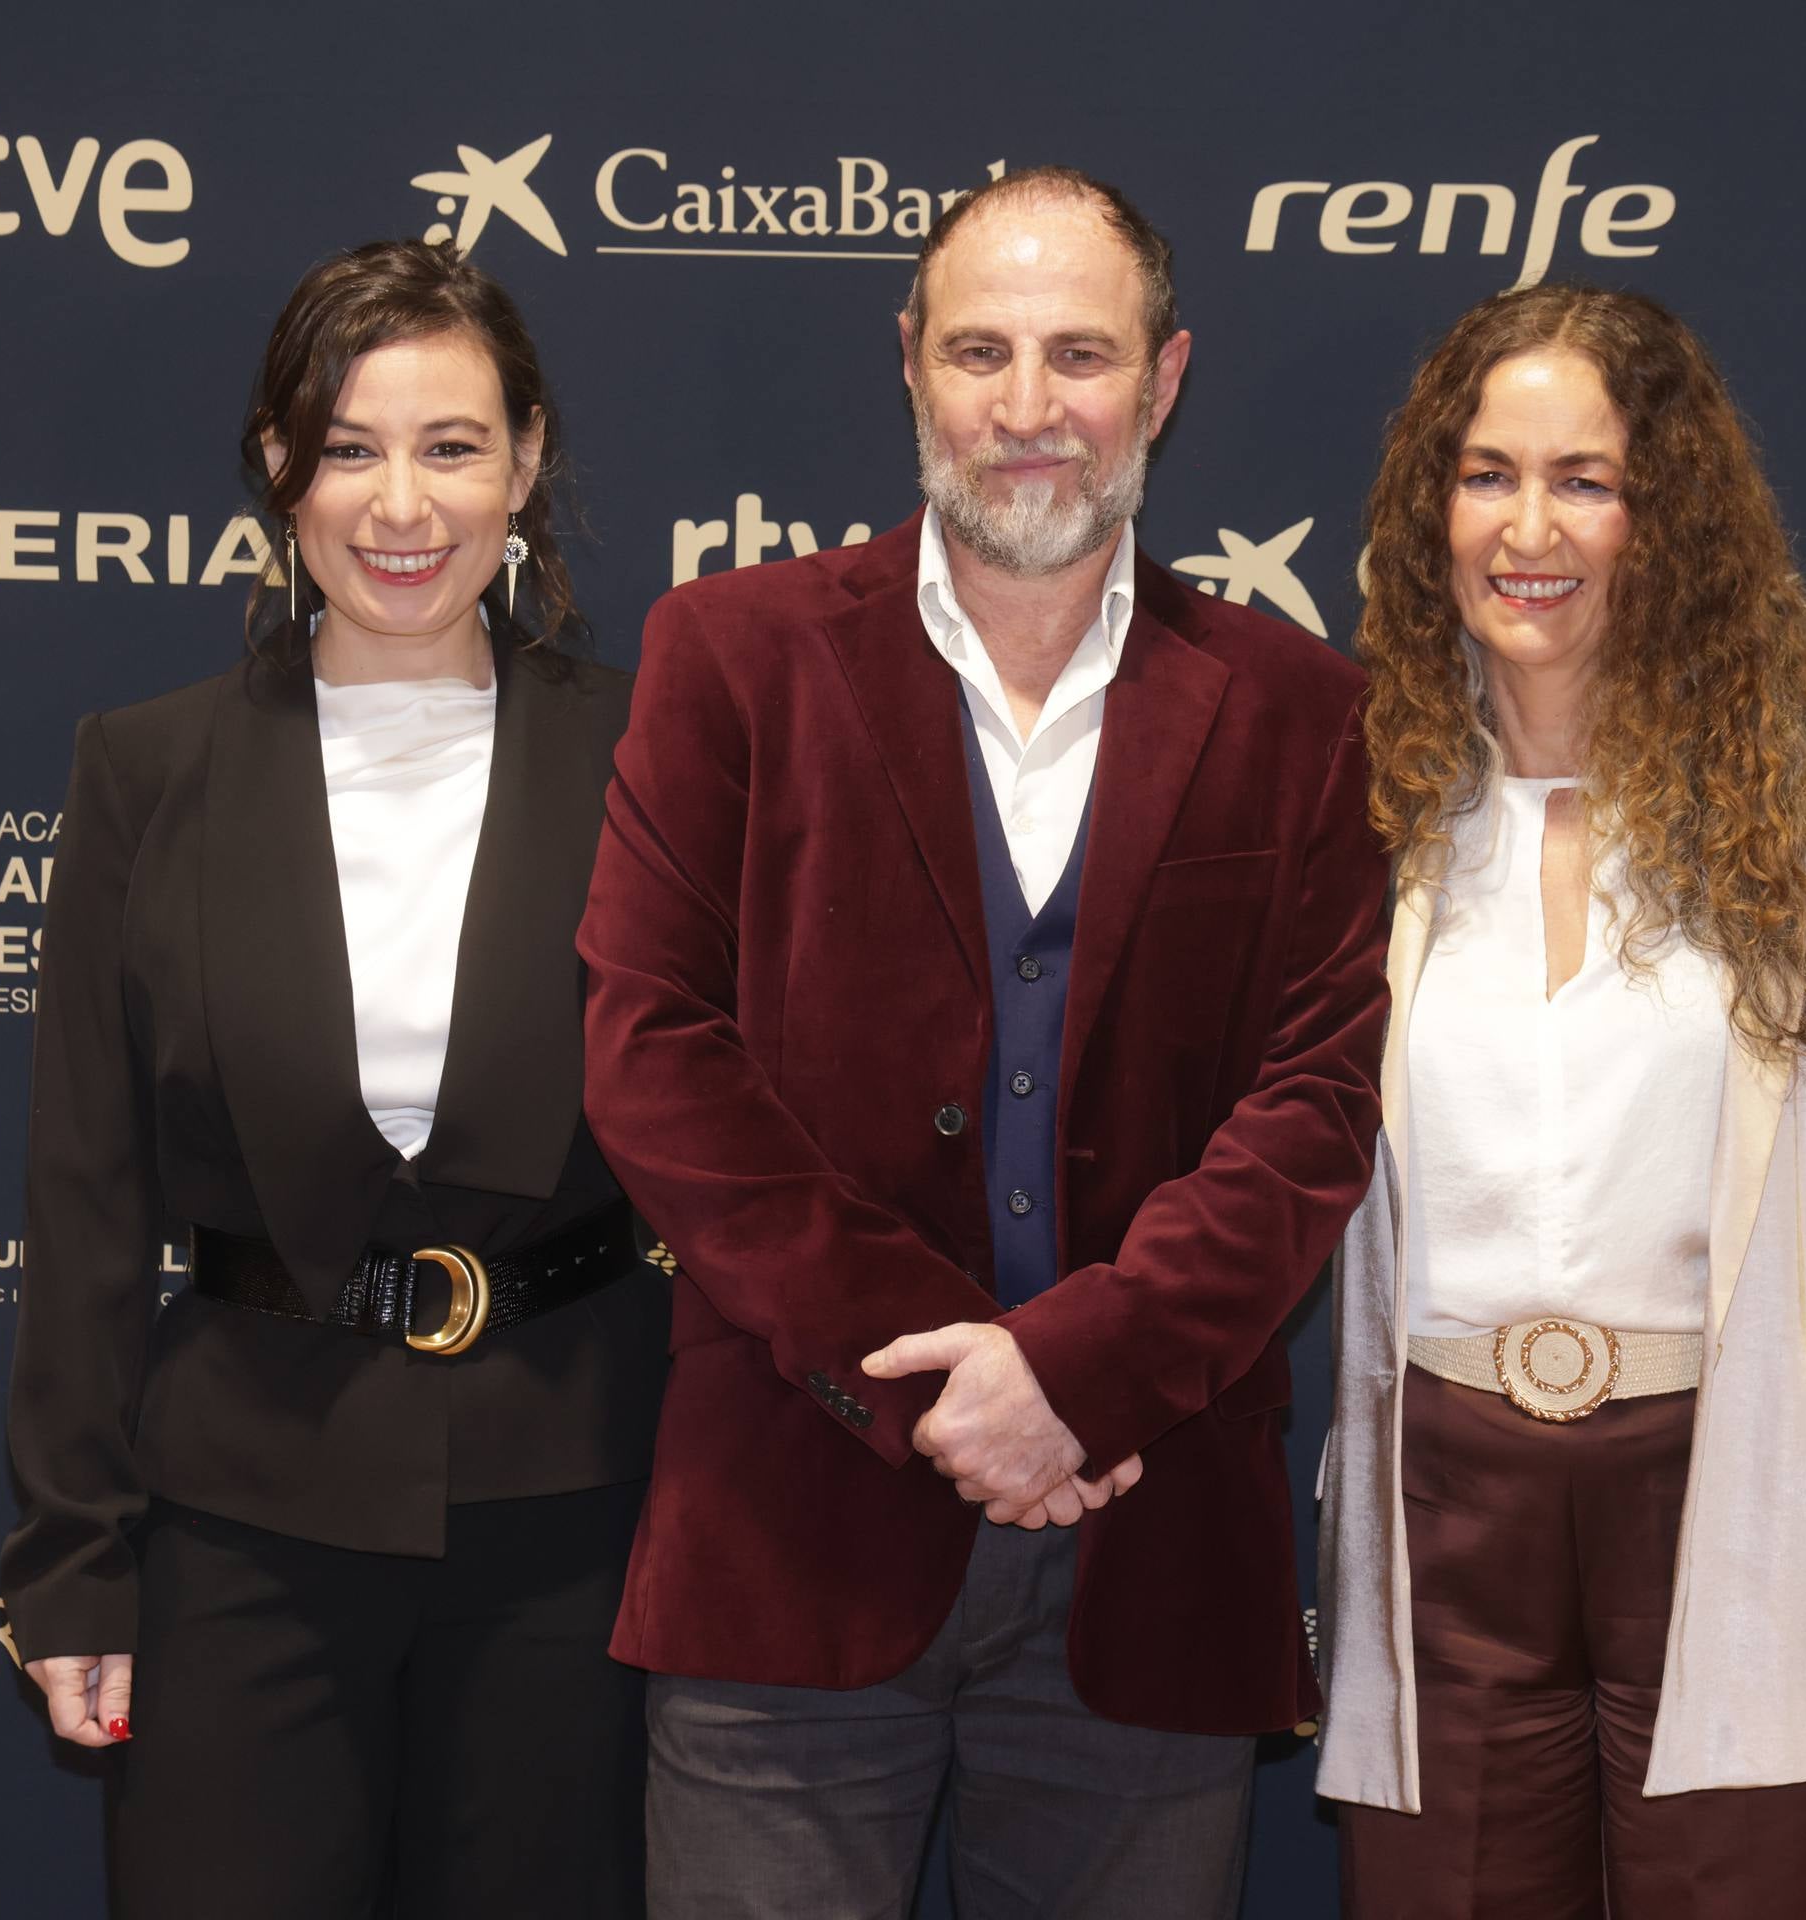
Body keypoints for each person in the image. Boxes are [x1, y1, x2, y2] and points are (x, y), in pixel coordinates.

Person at [577, 166, 1391, 1920]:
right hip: (787, 1531)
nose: (1029, 409)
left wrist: (1080, 1376)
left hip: (1154, 1549)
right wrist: (947, 1386)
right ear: (910, 368)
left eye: (1079, 355)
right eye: (981, 352)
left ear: (1163, 380)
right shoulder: (729, 656)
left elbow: (1314, 1107)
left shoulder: (1306, 715)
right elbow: (655, 1052)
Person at [1315, 284, 1806, 1918]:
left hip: (1744, 1489)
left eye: (1586, 479)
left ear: (1666, 518)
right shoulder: (1360, 824)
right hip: (1444, 1511)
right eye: (1485, 474)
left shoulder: (1802, 838)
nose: (1526, 527)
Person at [0, 240, 666, 1918]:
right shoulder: (145, 769)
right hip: (236, 1516)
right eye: (349, 446)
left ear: (526, 465)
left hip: (574, 1513)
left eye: (450, 446)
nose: (400, 504)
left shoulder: (652, 751)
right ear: (278, 467)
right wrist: (72, 1560)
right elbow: (85, 1192)